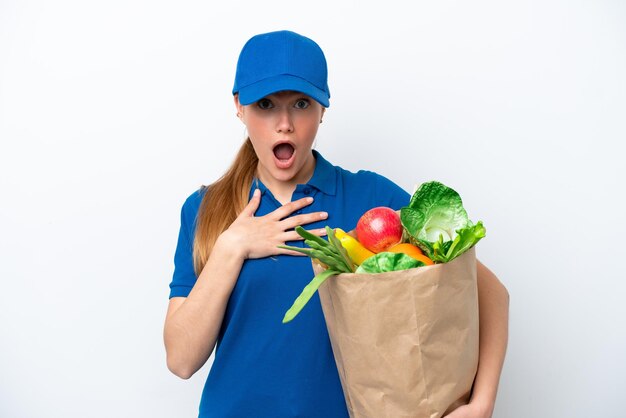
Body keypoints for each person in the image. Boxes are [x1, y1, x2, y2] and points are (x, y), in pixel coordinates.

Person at [163, 30, 509, 418]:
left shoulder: (371, 198)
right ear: (239, 107)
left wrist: (481, 403)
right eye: (264, 104)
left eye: (300, 103)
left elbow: (489, 292)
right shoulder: (205, 209)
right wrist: (232, 247)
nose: (284, 124)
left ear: (322, 109)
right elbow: (181, 360)